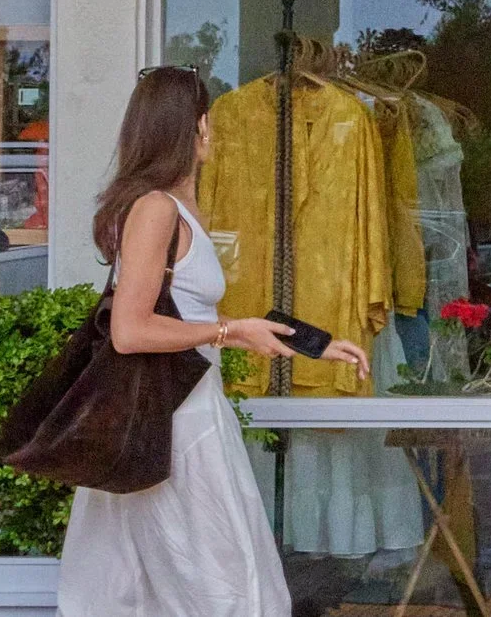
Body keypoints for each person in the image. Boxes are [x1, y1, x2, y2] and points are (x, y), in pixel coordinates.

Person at [58, 66, 368, 617]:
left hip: (189, 412)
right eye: (209, 122)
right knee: (217, 578)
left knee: (207, 576)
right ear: (194, 128)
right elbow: (130, 331)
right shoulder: (156, 210)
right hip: (172, 419)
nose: (214, 134)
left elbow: (191, 312)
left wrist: (310, 343)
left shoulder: (180, 211)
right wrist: (229, 332)